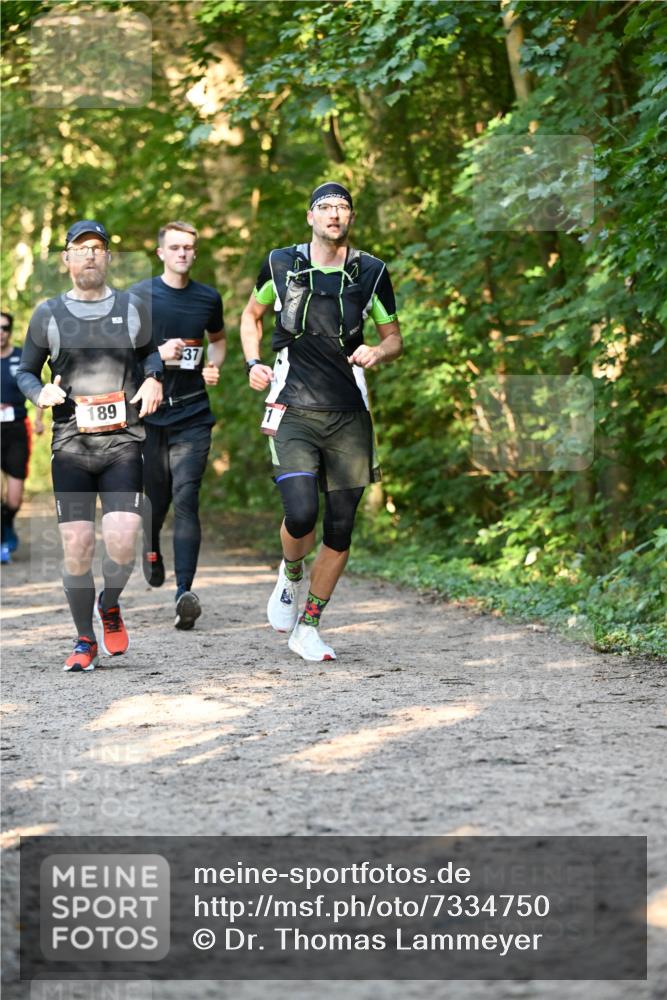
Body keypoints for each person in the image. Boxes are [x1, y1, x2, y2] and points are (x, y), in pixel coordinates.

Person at [240, 181, 403, 662]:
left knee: (340, 526)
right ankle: (290, 574)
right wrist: (253, 363)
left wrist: (378, 349)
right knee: (300, 512)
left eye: (343, 208)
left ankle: (309, 626)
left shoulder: (371, 272)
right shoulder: (280, 263)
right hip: (292, 407)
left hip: (350, 415)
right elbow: (250, 316)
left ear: (350, 218)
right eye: (325, 207)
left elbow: (394, 337)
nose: (335, 214)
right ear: (310, 217)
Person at [17, 220, 163, 672]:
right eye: (81, 249)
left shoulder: (132, 306)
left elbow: (150, 353)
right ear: (66, 260)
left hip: (122, 441)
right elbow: (24, 370)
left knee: (122, 544)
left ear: (108, 258)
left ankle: (110, 603)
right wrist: (38, 391)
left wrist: (155, 378)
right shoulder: (47, 314)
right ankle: (84, 640)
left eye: (98, 247)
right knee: (78, 548)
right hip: (71, 446)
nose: (90, 255)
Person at [130, 221, 225, 630]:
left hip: (192, 413)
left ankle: (184, 592)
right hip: (150, 416)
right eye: (175, 247)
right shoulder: (139, 296)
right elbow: (120, 353)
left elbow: (217, 339)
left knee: (187, 495)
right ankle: (151, 546)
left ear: (195, 252)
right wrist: (157, 353)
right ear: (161, 253)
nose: (183, 253)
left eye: (189, 247)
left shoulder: (208, 298)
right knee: (157, 499)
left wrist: (213, 365)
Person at [1, 310, 44, 563]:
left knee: (14, 499)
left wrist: (39, 420)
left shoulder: (20, 357)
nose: (1, 332)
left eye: (5, 327)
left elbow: (37, 387)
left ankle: (7, 525)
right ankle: (2, 541)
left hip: (17, 430)